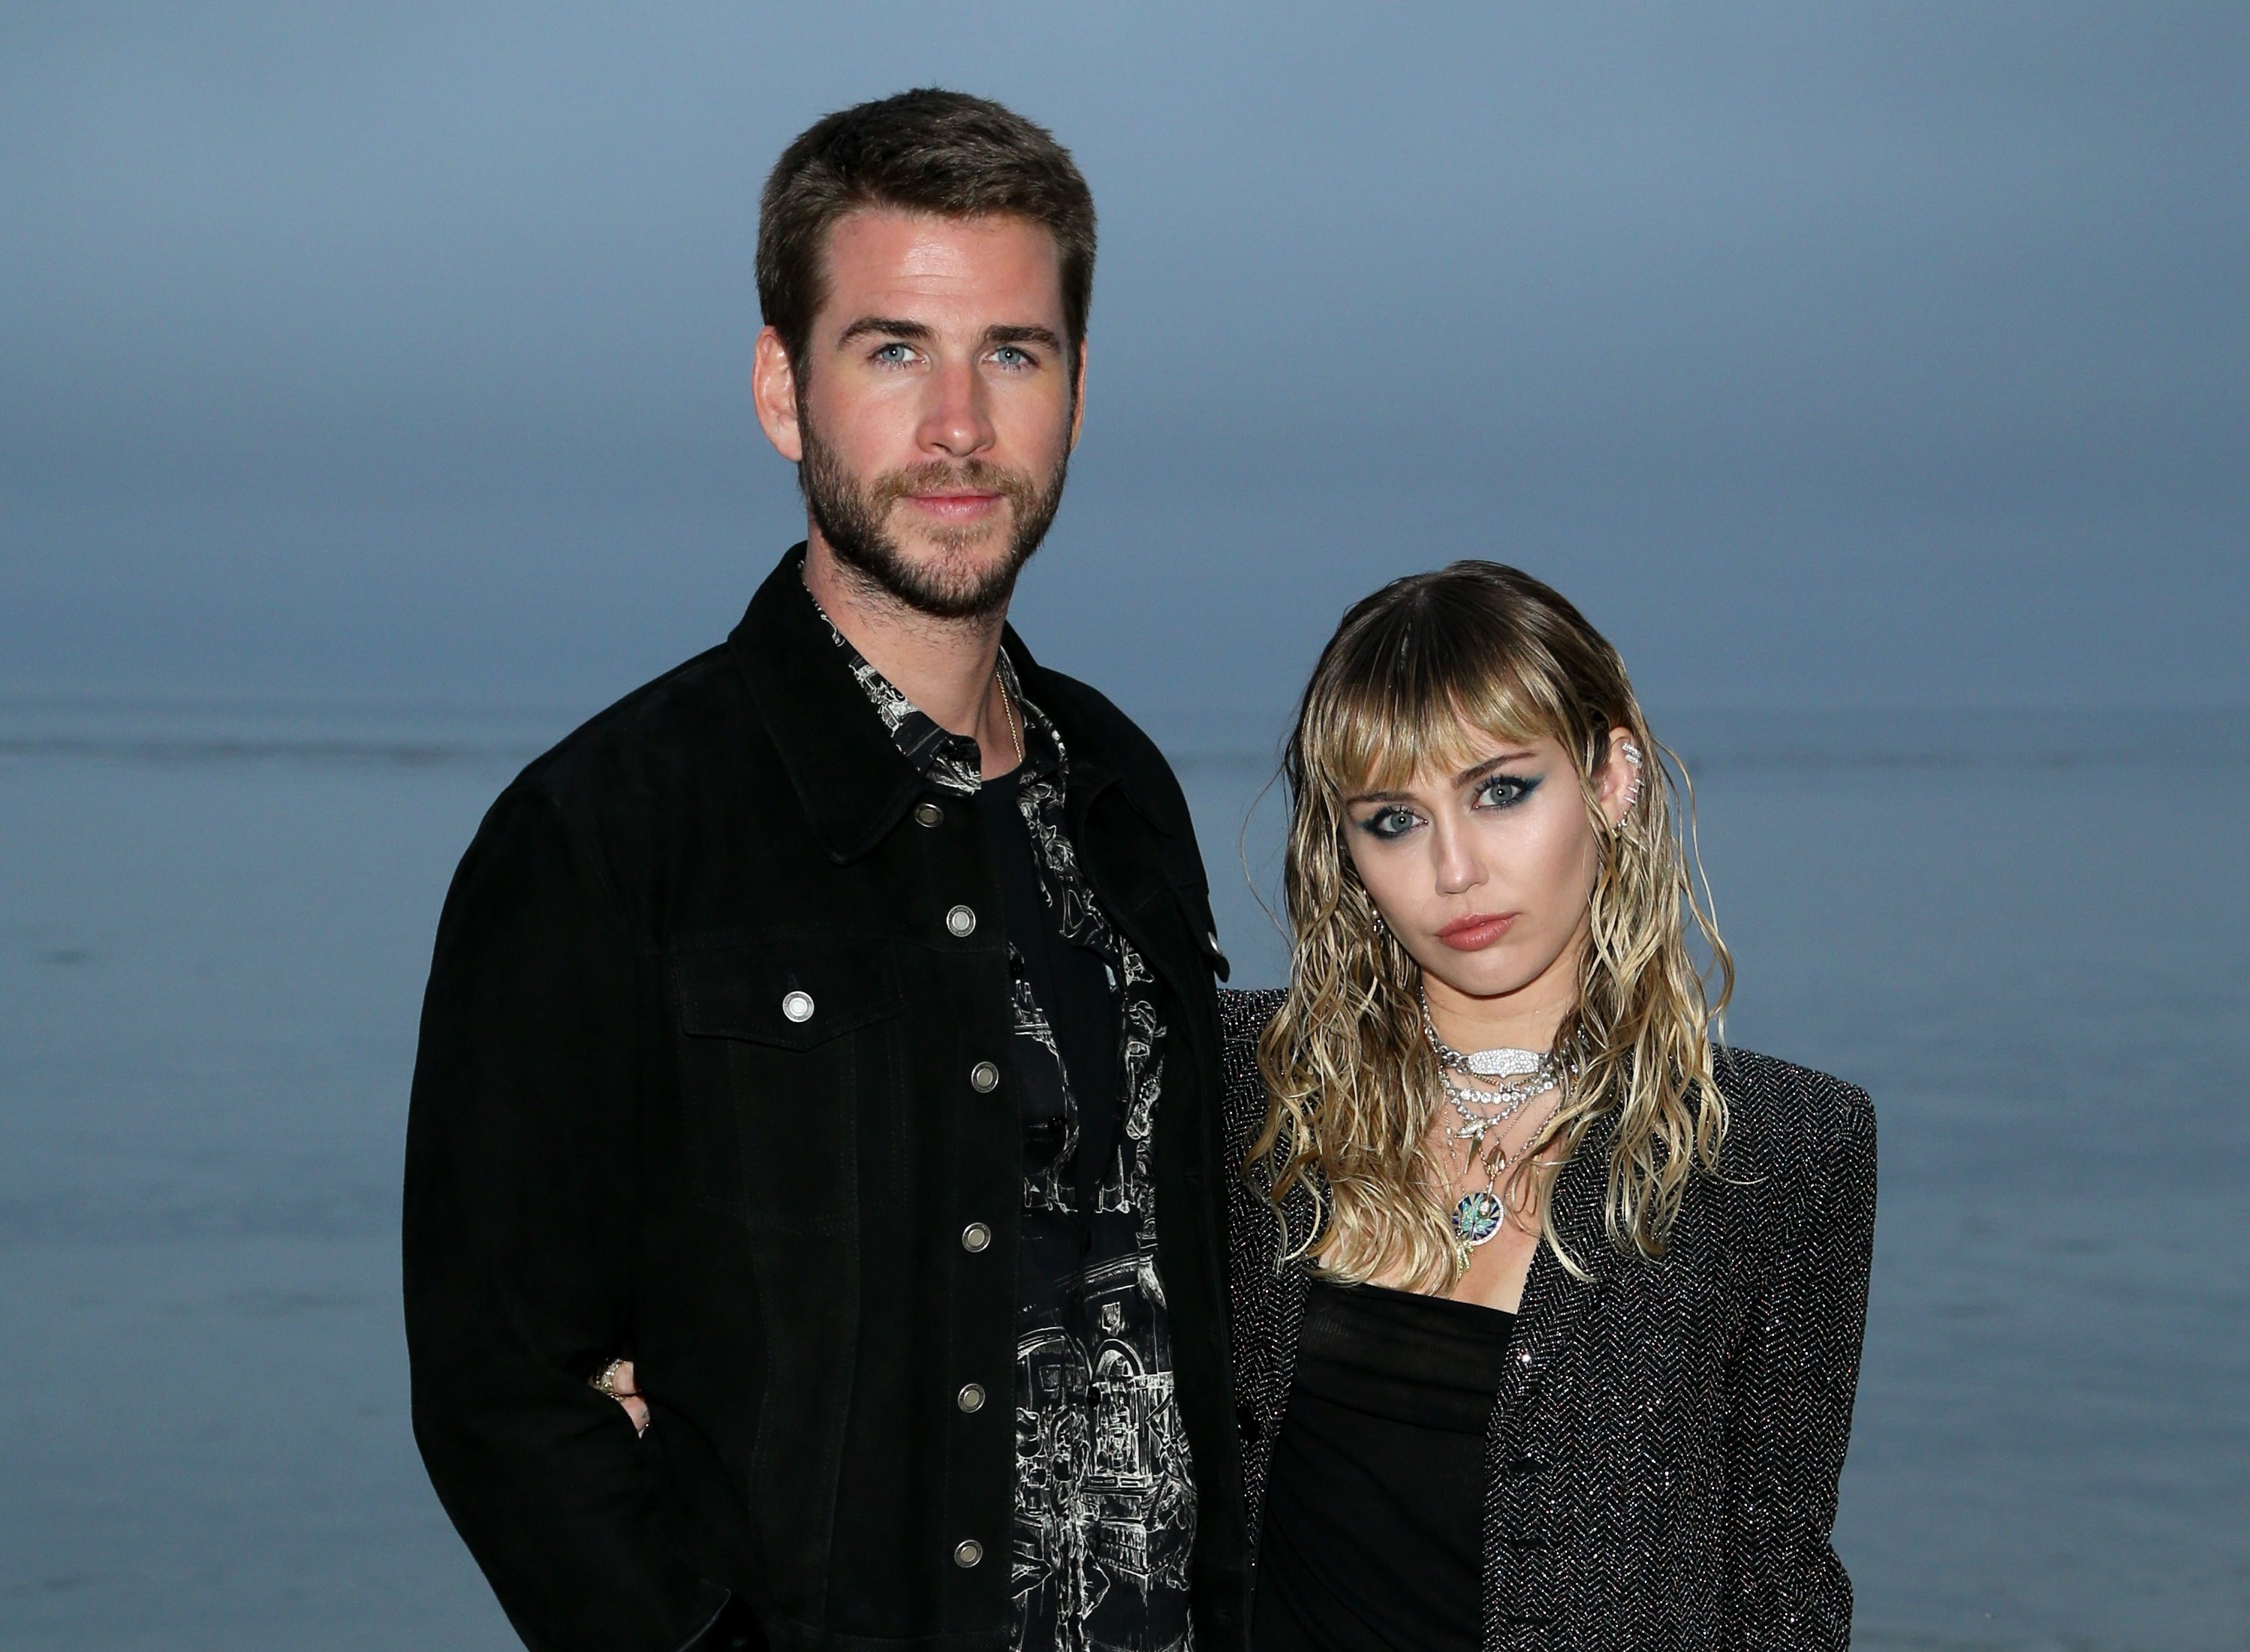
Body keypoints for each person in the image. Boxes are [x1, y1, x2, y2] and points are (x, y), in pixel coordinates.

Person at [404, 89, 1248, 1652]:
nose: (958, 427)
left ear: (1076, 391)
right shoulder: (604, 835)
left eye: (1012, 352)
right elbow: (498, 1393)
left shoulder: (1120, 792)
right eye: (890, 351)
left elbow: (1183, 1280)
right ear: (781, 392)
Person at [1219, 562, 1875, 1649]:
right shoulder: (1243, 1085)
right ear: (1346, 845)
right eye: (1392, 818)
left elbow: (1779, 1590)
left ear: (1611, 775)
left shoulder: (1775, 1151)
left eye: (1500, 790)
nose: (1453, 868)